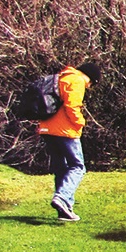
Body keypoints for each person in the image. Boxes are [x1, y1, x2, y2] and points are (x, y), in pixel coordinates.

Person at [38, 62, 98, 222]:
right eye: (91, 83)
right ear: (89, 77)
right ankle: (62, 197)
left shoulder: (59, 78)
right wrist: (80, 123)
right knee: (78, 167)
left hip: (47, 128)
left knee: (61, 169)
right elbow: (72, 106)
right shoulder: (77, 80)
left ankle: (65, 210)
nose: (89, 86)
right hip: (65, 130)